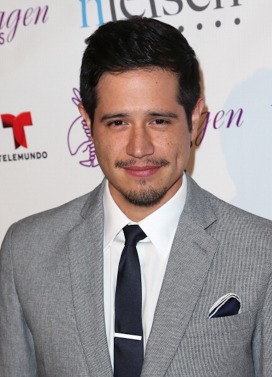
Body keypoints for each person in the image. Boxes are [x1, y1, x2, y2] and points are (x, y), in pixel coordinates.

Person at [0, 16, 271, 377]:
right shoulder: (27, 251)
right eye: (117, 122)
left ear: (194, 120)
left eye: (159, 121)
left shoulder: (261, 251)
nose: (139, 148)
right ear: (87, 122)